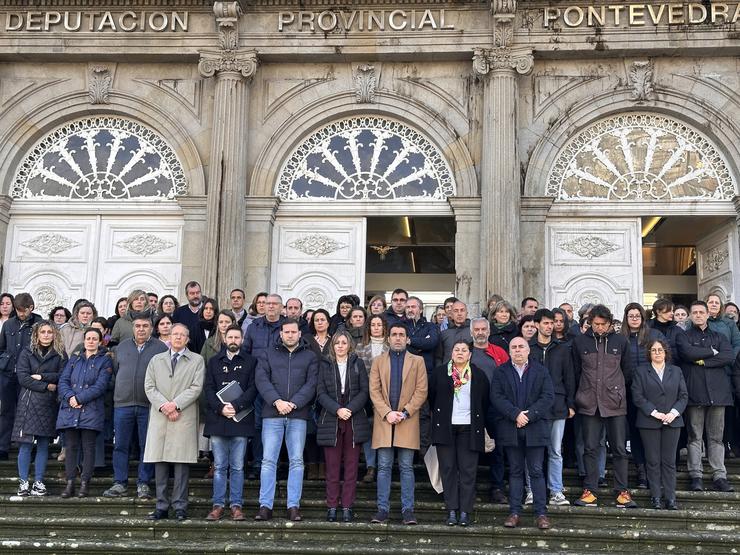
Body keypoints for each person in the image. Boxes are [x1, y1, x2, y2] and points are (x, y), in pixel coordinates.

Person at [254, 319, 319, 522]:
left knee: (297, 462)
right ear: (280, 334)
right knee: (268, 461)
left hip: (298, 415)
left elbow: (312, 383)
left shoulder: (310, 356)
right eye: (286, 332)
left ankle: (293, 506)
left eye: (294, 332)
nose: (290, 335)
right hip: (272, 414)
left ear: (300, 334)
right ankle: (265, 506)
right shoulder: (267, 354)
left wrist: (294, 403)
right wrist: (277, 401)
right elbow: (261, 380)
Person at [572, 304, 636, 508]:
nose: (598, 327)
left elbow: (628, 372)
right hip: (589, 403)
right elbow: (574, 371)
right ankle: (590, 490)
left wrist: (615, 389)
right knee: (590, 448)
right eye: (595, 324)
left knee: (619, 448)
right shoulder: (580, 341)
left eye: (603, 324)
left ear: (610, 323)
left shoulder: (620, 341)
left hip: (615, 403)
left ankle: (622, 491)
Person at [144, 323, 205, 521]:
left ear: (188, 339)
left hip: (183, 416)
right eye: (175, 334)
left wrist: (176, 405)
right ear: (169, 337)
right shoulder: (156, 360)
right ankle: (161, 505)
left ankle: (180, 505)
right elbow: (149, 386)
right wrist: (164, 406)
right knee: (159, 463)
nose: (178, 337)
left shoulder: (197, 360)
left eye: (182, 335)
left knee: (181, 464)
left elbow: (196, 388)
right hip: (161, 416)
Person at [491, 337, 553, 530]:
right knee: (516, 472)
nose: (517, 350)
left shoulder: (541, 371)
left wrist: (529, 415)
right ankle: (514, 512)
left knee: (536, 471)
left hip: (535, 428)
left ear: (528, 350)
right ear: (509, 351)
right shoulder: (501, 372)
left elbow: (548, 397)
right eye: (514, 347)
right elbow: (497, 397)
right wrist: (515, 414)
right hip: (511, 428)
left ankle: (541, 514)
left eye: (521, 347)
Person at [102, 316, 168, 500]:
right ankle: (119, 483)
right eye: (137, 326)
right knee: (120, 445)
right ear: (132, 328)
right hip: (122, 404)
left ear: (151, 328)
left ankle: (144, 483)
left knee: (146, 446)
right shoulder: (121, 347)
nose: (141, 329)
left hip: (149, 405)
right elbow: (114, 372)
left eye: (145, 326)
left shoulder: (160, 348)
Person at [369, 322, 428, 525]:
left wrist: (404, 412)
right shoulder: (378, 361)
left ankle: (408, 510)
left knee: (406, 467)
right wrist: (387, 413)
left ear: (406, 338)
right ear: (388, 338)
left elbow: (421, 391)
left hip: (407, 420)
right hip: (384, 421)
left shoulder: (417, 361)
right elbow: (374, 391)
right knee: (384, 467)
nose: (397, 338)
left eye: (401, 334)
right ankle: (382, 510)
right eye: (394, 334)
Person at [677, 300, 737, 492]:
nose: (698, 315)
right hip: (695, 392)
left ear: (707, 314)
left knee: (716, 438)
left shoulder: (720, 336)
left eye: (701, 312)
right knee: (695, 437)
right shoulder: (683, 336)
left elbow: (728, 356)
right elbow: (687, 353)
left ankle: (720, 475)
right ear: (690, 316)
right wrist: (711, 353)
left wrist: (703, 361)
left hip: (719, 393)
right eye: (694, 312)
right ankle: (696, 475)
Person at [429, 339, 489, 526]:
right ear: (451, 353)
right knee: (448, 470)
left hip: (469, 429)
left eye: (464, 350)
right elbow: (432, 398)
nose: (460, 353)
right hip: (445, 428)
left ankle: (464, 511)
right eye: (457, 350)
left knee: (468, 471)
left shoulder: (478, 375)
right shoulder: (440, 373)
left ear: (470, 354)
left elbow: (484, 402)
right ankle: (452, 510)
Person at [203, 325, 258, 522]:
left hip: (240, 419)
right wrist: (221, 408)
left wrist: (235, 405)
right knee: (219, 466)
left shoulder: (251, 362)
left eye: (237, 337)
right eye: (230, 337)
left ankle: (236, 505)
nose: (233, 340)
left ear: (242, 340)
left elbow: (253, 389)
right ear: (224, 339)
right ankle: (218, 505)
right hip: (218, 419)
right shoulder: (213, 362)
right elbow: (208, 389)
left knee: (237, 467)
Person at [316, 330, 370, 523]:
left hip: (354, 420)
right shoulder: (324, 365)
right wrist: (337, 409)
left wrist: (349, 409)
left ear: (349, 346)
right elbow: (320, 392)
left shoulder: (358, 364)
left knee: (351, 467)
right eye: (337, 343)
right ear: (333, 346)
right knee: (331, 467)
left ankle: (347, 506)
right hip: (331, 419)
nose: (340, 346)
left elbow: (365, 391)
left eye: (343, 343)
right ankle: (332, 506)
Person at [631, 338, 688, 510]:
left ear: (666, 352)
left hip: (673, 421)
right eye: (654, 350)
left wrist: (673, 413)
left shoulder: (676, 371)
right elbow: (637, 396)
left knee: (669, 461)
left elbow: (683, 396)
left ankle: (670, 498)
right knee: (653, 461)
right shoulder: (641, 372)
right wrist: (654, 413)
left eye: (660, 350)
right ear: (649, 353)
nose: (657, 353)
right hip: (649, 421)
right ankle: (656, 497)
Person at [57, 328, 113, 498]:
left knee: (88, 448)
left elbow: (101, 386)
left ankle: (84, 483)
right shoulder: (74, 359)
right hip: (70, 409)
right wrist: (70, 397)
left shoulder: (105, 361)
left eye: (94, 338)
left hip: (91, 409)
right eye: (88, 338)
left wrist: (79, 398)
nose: (90, 341)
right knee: (71, 447)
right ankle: (70, 483)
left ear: (100, 341)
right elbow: (63, 381)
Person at [12, 321, 65, 496]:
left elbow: (62, 376)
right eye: (43, 331)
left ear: (54, 334)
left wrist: (42, 376)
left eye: (50, 331)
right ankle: (23, 482)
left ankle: (39, 482)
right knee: (25, 445)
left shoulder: (60, 354)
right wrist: (46, 385)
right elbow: (23, 378)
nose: (46, 335)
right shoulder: (27, 352)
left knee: (43, 444)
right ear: (37, 334)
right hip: (28, 403)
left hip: (48, 404)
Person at [529, 308, 575, 506]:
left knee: (555, 450)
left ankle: (556, 490)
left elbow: (570, 378)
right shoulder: (528, 348)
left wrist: (571, 404)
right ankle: (531, 490)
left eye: (552, 323)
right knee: (532, 450)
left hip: (557, 405)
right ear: (537, 324)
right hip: (533, 407)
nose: (550, 326)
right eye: (546, 323)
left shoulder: (563, 349)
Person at [621, 302, 665, 489]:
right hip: (628, 392)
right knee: (635, 431)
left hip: (653, 392)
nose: (634, 318)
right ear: (626, 317)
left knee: (653, 432)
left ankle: (655, 470)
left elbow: (667, 357)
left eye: (637, 315)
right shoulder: (620, 338)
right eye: (631, 316)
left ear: (642, 317)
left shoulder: (654, 335)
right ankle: (641, 471)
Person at [0, 292, 43, 459]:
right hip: (8, 373)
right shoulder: (9, 324)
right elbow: (2, 347)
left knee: (26, 412)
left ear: (30, 308)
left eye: (23, 310)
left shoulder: (39, 324)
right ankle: (3, 447)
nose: (20, 313)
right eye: (18, 310)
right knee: (6, 410)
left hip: (29, 376)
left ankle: (25, 448)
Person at [470, 317, 508, 504]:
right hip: (470, 407)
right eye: (476, 329)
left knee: (497, 449)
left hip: (496, 407)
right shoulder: (464, 351)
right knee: (471, 449)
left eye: (483, 329)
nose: (480, 332)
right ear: (471, 332)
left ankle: (497, 488)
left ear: (489, 331)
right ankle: (471, 488)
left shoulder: (499, 352)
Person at [355, 314, 389, 483]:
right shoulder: (360, 348)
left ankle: (383, 466)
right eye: (373, 325)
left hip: (387, 396)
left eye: (379, 324)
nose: (376, 327)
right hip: (366, 396)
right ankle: (371, 466)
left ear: (384, 327)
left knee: (383, 431)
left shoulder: (391, 347)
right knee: (368, 430)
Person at [405, 296, 439, 374]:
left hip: (426, 370)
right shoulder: (400, 326)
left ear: (420, 310)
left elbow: (432, 342)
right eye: (407, 307)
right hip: (405, 370)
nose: (410, 310)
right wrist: (421, 346)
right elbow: (400, 344)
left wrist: (410, 341)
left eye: (413, 307)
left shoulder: (431, 326)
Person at [171, 281, 205, 353]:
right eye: (192, 293)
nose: (195, 296)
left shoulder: (208, 311)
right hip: (183, 352)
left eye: (198, 292)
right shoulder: (178, 312)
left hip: (204, 352)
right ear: (187, 295)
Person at [435, 300, 471, 366]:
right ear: (451, 314)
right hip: (447, 373)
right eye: (456, 311)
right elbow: (438, 357)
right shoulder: (444, 333)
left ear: (467, 313)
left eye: (462, 310)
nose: (459, 313)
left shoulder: (473, 331)